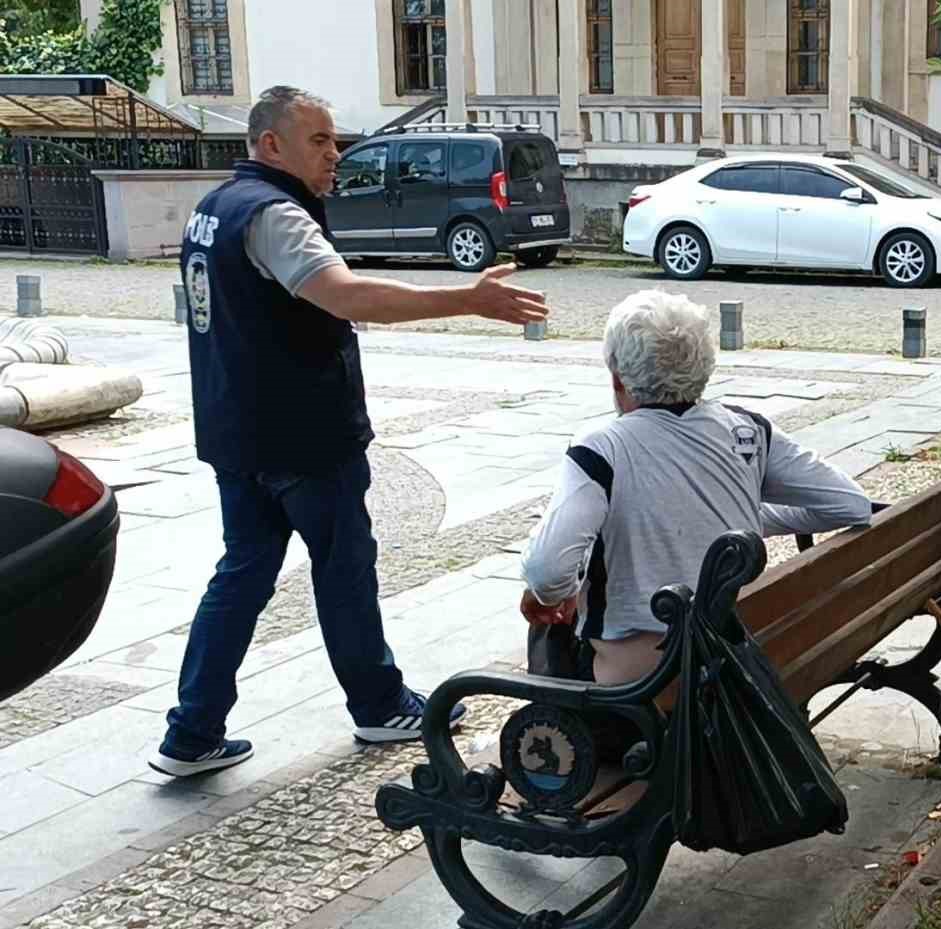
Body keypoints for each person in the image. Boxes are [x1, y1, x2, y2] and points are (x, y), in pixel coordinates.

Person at [150, 86, 552, 778]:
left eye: (335, 140)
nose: (335, 154)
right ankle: (377, 702)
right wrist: (468, 298)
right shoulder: (275, 213)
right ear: (270, 145)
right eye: (319, 141)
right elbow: (345, 293)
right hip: (303, 435)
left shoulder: (215, 207)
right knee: (342, 566)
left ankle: (191, 730)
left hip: (235, 431)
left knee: (242, 573)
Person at [519, 290, 872, 688]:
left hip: (643, 680)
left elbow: (546, 569)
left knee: (549, 629)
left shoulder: (600, 448)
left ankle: (581, 745)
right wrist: (741, 524)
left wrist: (552, 594)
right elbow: (850, 505)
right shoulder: (748, 430)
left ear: (618, 377)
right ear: (705, 365)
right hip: (736, 650)